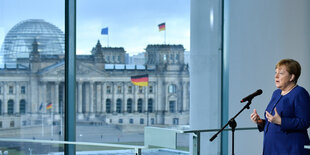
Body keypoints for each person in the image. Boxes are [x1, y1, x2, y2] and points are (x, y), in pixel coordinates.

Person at [250, 59, 310, 155]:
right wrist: (260, 122)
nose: (276, 76)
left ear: (292, 77)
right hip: (271, 149)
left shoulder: (300, 93)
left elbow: (305, 122)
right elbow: (274, 121)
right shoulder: (276, 93)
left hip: (290, 150)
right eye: (275, 72)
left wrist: (281, 121)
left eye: (281, 73)